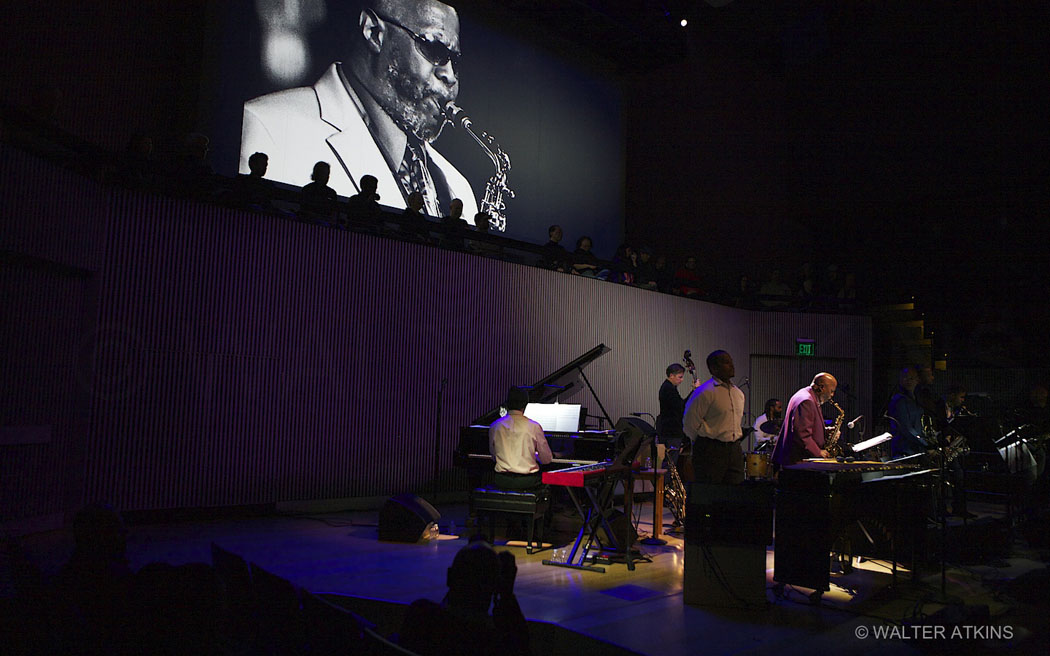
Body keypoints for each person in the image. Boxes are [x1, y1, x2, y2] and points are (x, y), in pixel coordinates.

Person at [239, 0, 478, 220]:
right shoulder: (266, 127)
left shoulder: (459, 186)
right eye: (434, 49)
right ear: (373, 32)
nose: (449, 76)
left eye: (454, 61)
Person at [398, 540, 529, 656]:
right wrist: (507, 594)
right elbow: (523, 646)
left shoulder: (420, 616)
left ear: (449, 577)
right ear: (496, 585)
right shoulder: (493, 643)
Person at [683, 350, 746, 485]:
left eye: (731, 362)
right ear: (713, 368)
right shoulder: (705, 392)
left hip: (734, 449)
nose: (731, 365)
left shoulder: (738, 393)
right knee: (710, 496)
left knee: (735, 494)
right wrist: (705, 442)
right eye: (726, 362)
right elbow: (689, 424)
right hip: (711, 450)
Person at [489, 386, 552, 489]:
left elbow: (494, 456)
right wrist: (532, 455)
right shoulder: (534, 426)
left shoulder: (495, 426)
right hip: (527, 481)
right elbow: (546, 460)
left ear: (507, 404)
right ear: (525, 405)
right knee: (549, 486)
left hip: (502, 480)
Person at [770, 373, 838, 468]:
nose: (832, 395)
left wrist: (825, 431)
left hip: (798, 461)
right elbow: (802, 434)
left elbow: (804, 426)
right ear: (822, 387)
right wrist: (818, 452)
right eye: (831, 391)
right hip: (799, 462)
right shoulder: (807, 401)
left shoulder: (806, 394)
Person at [657, 363, 701, 469]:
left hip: (668, 431)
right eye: (680, 377)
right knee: (670, 464)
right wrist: (695, 391)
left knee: (669, 463)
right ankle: (667, 485)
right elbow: (682, 407)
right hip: (671, 432)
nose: (681, 380)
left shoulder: (669, 387)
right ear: (671, 375)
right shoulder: (668, 389)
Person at [887, 366, 927, 458]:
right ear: (900, 380)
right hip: (904, 450)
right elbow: (906, 428)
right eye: (905, 378)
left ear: (917, 380)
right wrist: (925, 443)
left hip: (916, 449)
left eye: (912, 378)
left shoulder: (916, 399)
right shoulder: (899, 400)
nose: (908, 381)